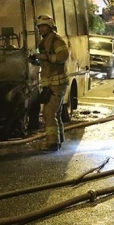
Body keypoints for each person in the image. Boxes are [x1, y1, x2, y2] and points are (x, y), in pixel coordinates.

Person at [33, 14, 70, 152]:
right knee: (56, 113)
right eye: (39, 27)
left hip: (57, 83)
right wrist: (36, 60)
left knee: (48, 112)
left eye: (44, 26)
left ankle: (52, 143)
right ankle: (58, 140)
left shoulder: (56, 40)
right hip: (51, 83)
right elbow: (45, 61)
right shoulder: (43, 42)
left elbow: (63, 56)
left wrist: (46, 56)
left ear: (50, 27)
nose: (41, 29)